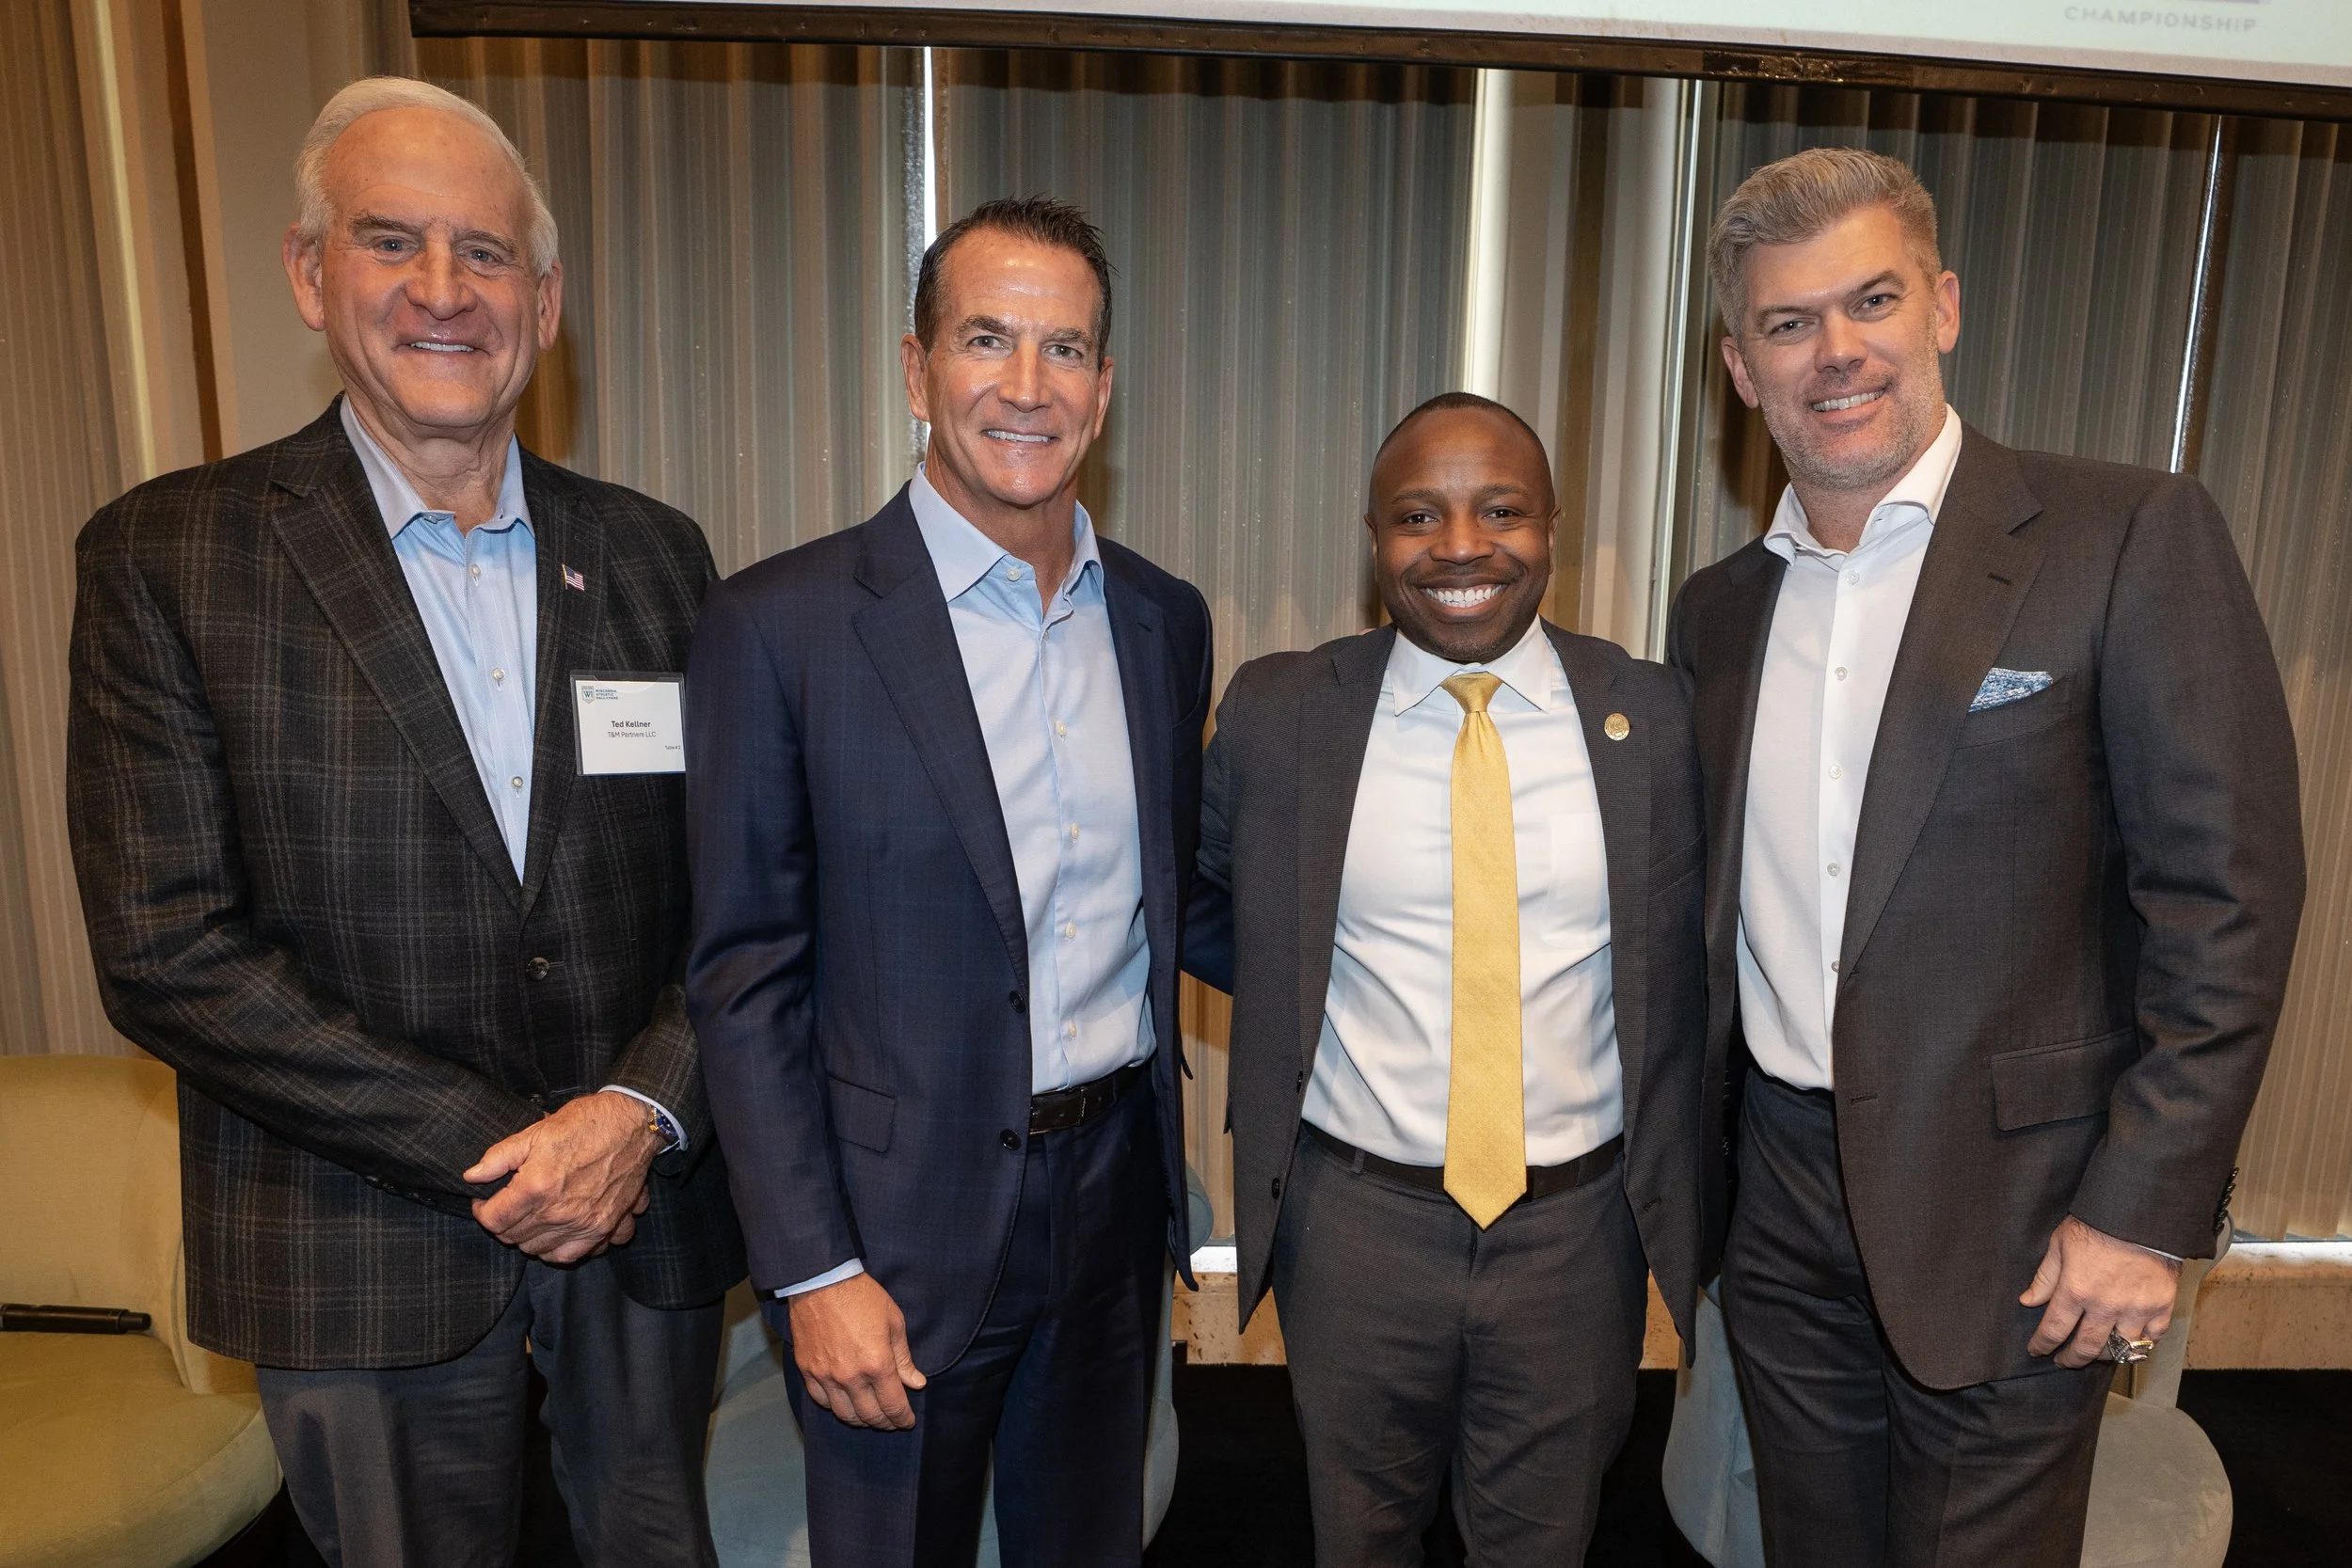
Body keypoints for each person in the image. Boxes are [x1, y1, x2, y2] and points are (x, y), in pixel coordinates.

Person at [66, 76, 743, 1566]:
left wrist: (636, 1111)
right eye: (392, 243)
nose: (445, 291)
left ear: (546, 300)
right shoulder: (168, 557)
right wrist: (505, 1144)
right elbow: (167, 946)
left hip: (641, 1214)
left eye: (486, 254)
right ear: (313, 273)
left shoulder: (656, 555)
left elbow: (743, 894)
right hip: (353, 1238)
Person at [1666, 146, 2305, 1566]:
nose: (1836, 351)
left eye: (1871, 300)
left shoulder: (2125, 535)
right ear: (1738, 364)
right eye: (1788, 322)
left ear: (1942, 307)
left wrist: (2138, 1211)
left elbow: (2228, 904)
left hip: (2025, 1221)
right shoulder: (1715, 615)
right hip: (1777, 1214)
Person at [684, 195, 1211, 1568]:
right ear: (917, 371)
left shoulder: (1163, 619)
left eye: (1068, 348)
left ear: (1105, 383)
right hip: (892, 1230)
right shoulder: (777, 626)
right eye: (988, 339)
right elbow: (744, 977)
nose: (1028, 387)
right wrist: (811, 1267)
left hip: (1112, 1203)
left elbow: (1176, 892)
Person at [1184, 392, 1711, 1564]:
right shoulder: (1281, 715)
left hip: (1577, 1233)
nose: (1462, 545)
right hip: (1354, 1224)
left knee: (1545, 1541)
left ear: (1552, 528)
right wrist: (1295, 984)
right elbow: (1197, 892)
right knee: (1356, 1539)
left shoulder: (1655, 717)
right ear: (1373, 538)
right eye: (1418, 514)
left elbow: (1702, 944)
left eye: (1500, 510)